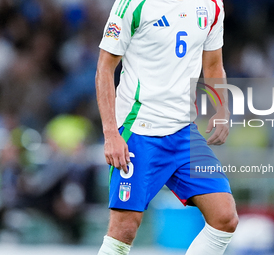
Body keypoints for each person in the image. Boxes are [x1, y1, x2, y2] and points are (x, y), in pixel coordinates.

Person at [95, 0, 238, 254]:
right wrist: (111, 134)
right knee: (124, 231)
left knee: (225, 218)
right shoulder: (133, 4)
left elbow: (214, 64)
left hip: (183, 132)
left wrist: (222, 109)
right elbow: (105, 68)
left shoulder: (212, 4)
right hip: (139, 131)